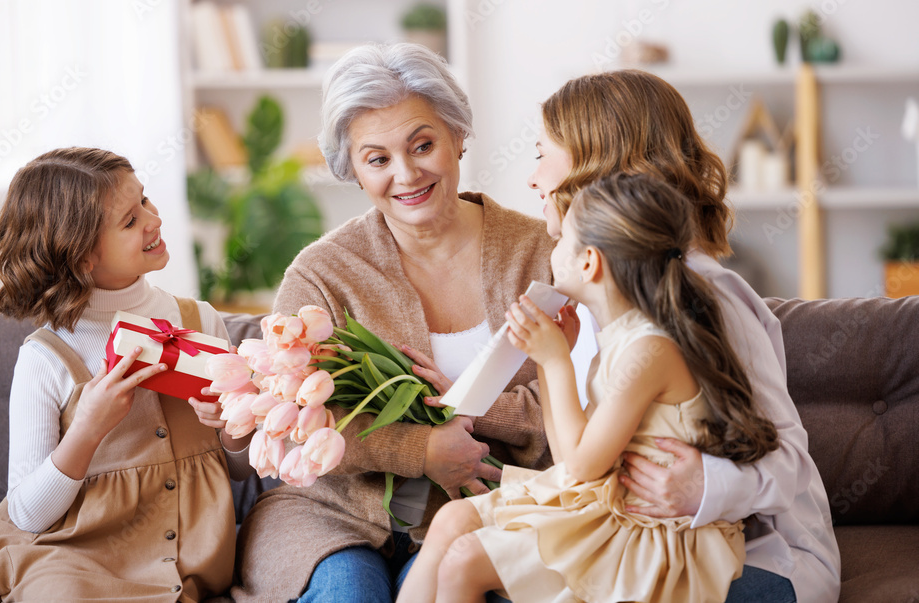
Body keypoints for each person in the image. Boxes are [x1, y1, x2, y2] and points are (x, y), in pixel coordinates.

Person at [230, 43, 554, 603]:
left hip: (484, 510)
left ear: (457, 136)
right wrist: (419, 449)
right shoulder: (322, 273)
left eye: (422, 145)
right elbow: (290, 422)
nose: (406, 174)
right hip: (332, 513)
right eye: (377, 159)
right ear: (353, 169)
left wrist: (475, 408)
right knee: (349, 594)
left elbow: (597, 399)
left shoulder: (544, 253)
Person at [526, 70, 840, 602]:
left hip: (760, 558)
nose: (533, 179)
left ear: (594, 163)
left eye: (541, 153)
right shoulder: (597, 292)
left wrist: (704, 486)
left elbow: (786, 461)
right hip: (651, 542)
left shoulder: (704, 293)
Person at [401, 172, 782, 603]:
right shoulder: (621, 337)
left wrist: (556, 360)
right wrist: (552, 361)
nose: (553, 247)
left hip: (647, 534)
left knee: (465, 560)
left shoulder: (650, 350)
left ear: (589, 262)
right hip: (604, 500)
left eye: (562, 238)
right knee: (451, 519)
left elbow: (581, 467)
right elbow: (571, 458)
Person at [0, 147, 254, 602]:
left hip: (192, 555)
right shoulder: (48, 357)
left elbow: (238, 470)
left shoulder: (200, 320)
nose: (153, 220)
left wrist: (233, 428)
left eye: (146, 202)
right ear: (82, 259)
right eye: (130, 222)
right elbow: (27, 514)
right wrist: (88, 429)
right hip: (76, 557)